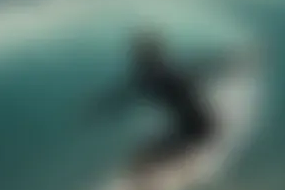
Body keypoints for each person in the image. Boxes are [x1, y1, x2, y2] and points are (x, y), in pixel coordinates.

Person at [90, 30, 246, 176]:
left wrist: (101, 108)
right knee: (147, 155)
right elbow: (206, 65)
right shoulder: (170, 70)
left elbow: (122, 96)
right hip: (206, 125)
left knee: (140, 160)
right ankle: (179, 169)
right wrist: (234, 61)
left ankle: (166, 178)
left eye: (139, 57)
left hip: (196, 130)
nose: (136, 61)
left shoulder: (152, 77)